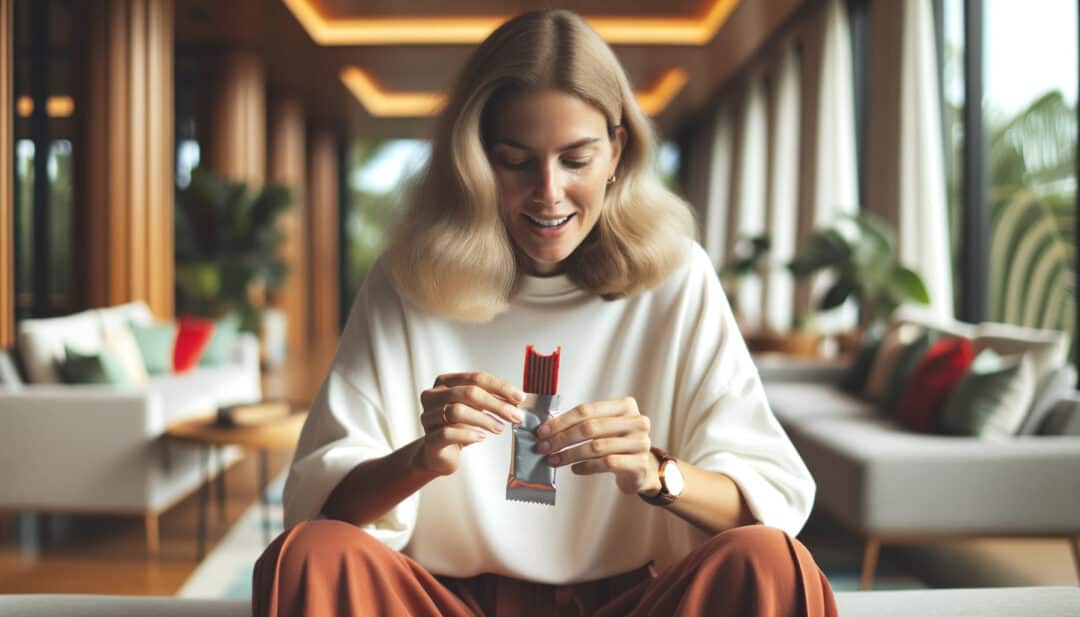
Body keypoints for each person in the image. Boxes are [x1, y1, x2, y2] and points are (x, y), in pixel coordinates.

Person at [253, 9, 836, 617]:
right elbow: (321, 506)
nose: (549, 192)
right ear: (476, 158)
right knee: (310, 553)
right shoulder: (408, 279)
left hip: (636, 602)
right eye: (516, 160)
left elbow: (771, 507)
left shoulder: (677, 276)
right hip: (444, 602)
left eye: (576, 160)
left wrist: (655, 473)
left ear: (617, 150)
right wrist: (419, 460)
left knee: (772, 562)